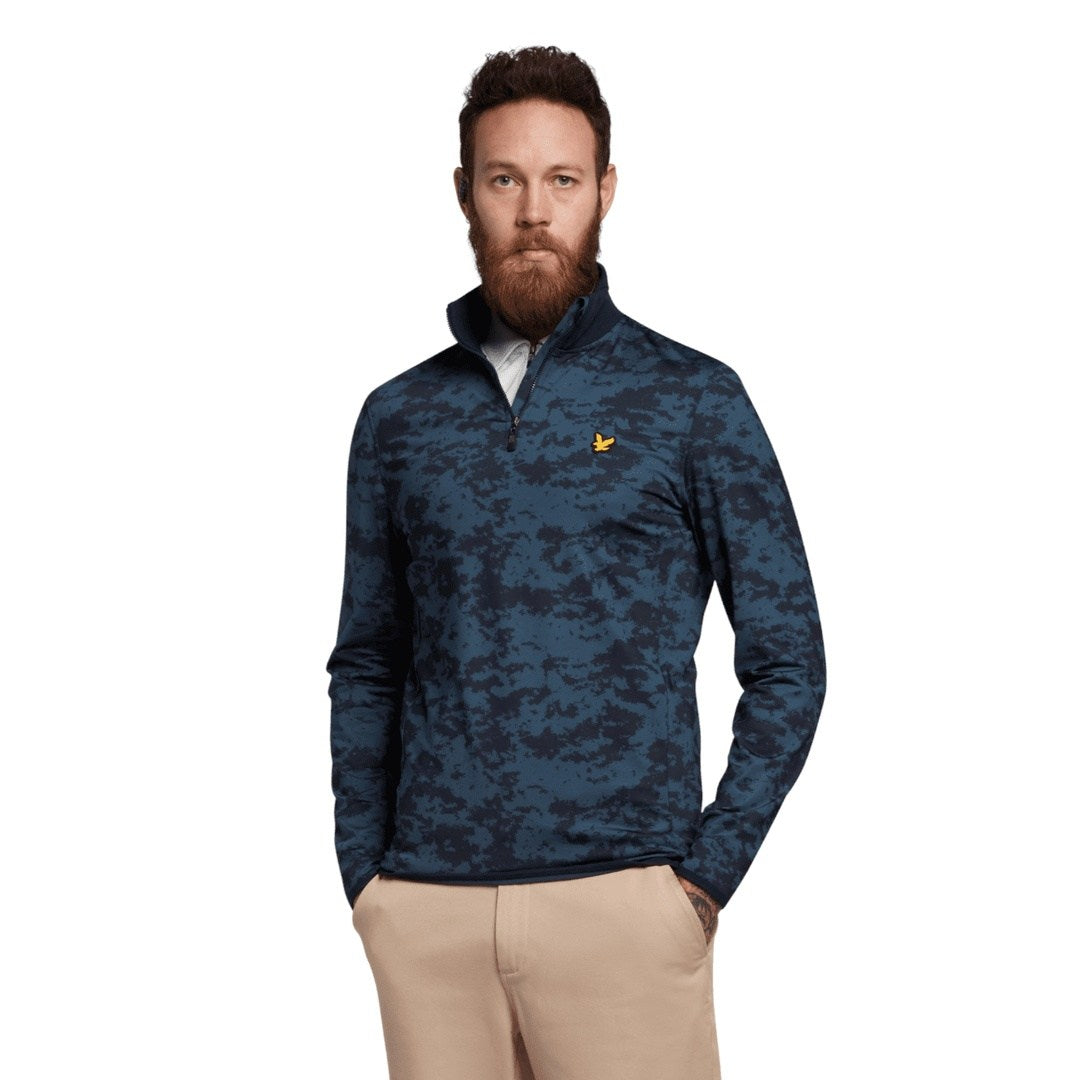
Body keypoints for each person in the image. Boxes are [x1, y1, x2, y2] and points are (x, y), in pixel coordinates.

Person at [326, 44, 826, 1080]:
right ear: (464, 193)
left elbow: (788, 659)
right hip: (427, 916)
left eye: (561, 179)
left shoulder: (692, 399)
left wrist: (701, 882)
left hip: (623, 909)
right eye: (504, 179)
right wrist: (368, 880)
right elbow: (369, 658)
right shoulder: (398, 418)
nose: (533, 212)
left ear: (605, 191)